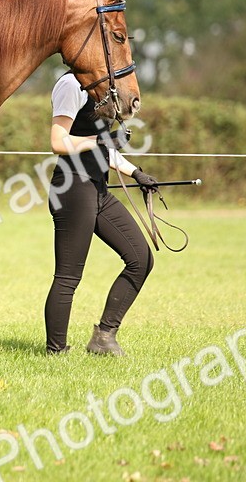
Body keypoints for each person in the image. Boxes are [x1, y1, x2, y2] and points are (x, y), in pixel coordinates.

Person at [46, 71, 159, 356]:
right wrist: (99, 140)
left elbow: (104, 149)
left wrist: (136, 173)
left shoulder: (102, 90)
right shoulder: (71, 85)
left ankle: (104, 337)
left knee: (141, 259)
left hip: (98, 189)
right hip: (72, 187)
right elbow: (58, 142)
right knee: (69, 276)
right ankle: (55, 351)